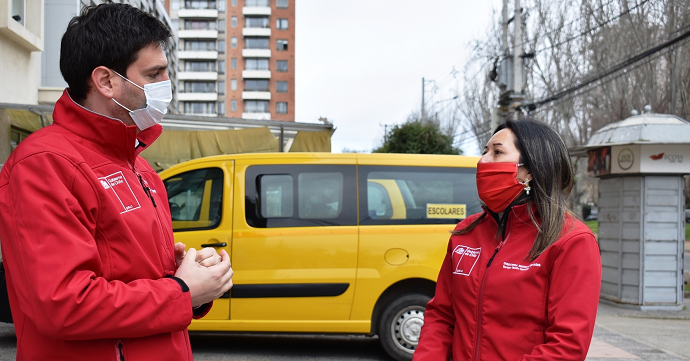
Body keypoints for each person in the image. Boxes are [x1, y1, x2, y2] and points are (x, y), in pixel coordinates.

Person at [0, 3, 234, 360]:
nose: (165, 86)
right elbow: (63, 305)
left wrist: (188, 277)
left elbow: (133, 276)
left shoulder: (142, 169)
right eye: (154, 74)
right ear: (106, 81)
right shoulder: (45, 163)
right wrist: (182, 289)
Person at [414, 119, 601, 361]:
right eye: (484, 152)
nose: (482, 161)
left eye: (497, 152)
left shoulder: (572, 241)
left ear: (530, 170)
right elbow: (441, 316)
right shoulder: (466, 232)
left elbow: (566, 346)